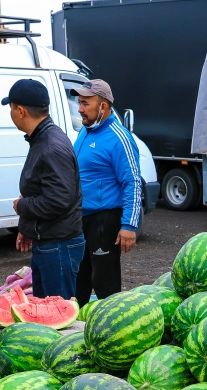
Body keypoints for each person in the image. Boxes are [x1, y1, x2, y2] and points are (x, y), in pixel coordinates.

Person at [5, 79, 83, 299]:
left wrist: (22, 206)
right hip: (49, 242)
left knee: (58, 321)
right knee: (43, 315)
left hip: (58, 247)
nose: (10, 114)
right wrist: (29, 228)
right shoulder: (42, 139)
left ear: (20, 111)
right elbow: (45, 190)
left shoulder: (50, 146)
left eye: (10, 108)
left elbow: (58, 200)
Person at [70, 79, 142, 306]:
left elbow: (133, 182)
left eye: (85, 103)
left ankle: (111, 329)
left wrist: (129, 226)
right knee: (78, 278)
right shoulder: (85, 132)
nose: (80, 108)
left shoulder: (119, 137)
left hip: (104, 220)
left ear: (103, 106)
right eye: (79, 102)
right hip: (80, 218)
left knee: (105, 282)